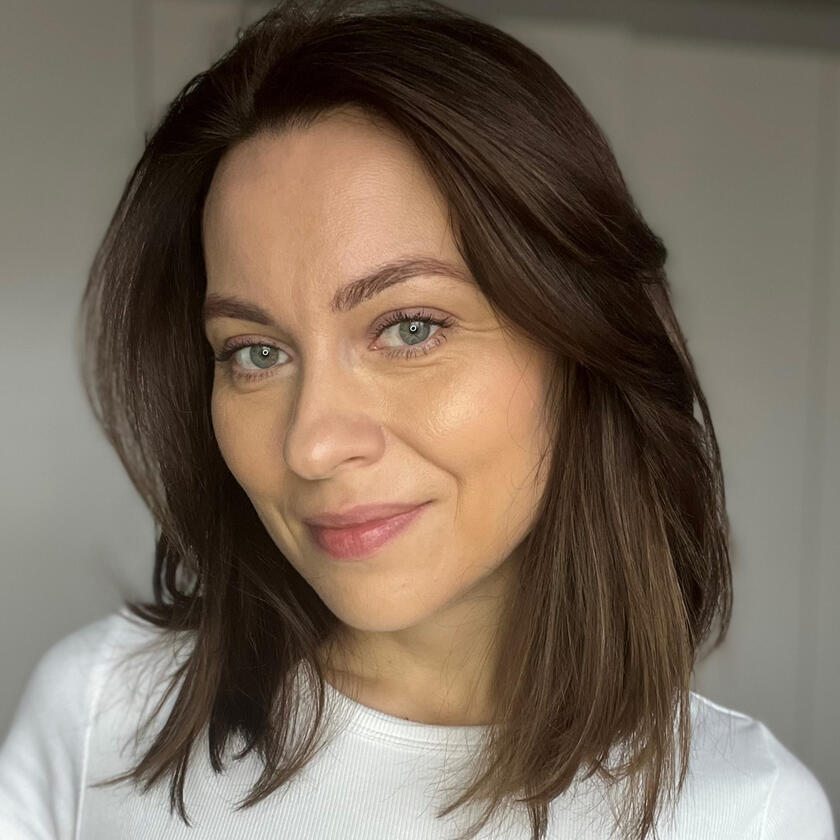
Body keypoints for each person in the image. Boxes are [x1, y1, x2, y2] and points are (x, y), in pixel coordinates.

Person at [0, 0, 835, 838]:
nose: (313, 444)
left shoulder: (745, 814)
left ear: (580, 343)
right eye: (255, 351)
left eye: (410, 328)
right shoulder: (102, 715)